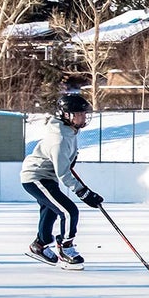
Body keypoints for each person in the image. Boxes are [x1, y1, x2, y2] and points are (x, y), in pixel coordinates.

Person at [20, 93, 103, 270]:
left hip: (47, 177)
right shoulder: (59, 139)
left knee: (51, 210)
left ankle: (40, 245)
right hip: (35, 177)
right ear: (66, 115)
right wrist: (85, 193)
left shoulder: (69, 132)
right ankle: (65, 248)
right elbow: (64, 174)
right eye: (79, 114)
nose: (83, 117)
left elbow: (65, 165)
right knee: (68, 211)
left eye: (84, 114)